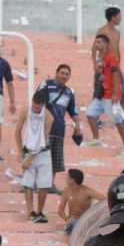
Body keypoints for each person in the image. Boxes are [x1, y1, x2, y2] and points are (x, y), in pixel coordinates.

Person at [84, 34, 124, 157]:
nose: (97, 44)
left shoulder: (111, 57)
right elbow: (100, 72)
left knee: (117, 120)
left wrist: (116, 94)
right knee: (90, 113)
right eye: (96, 42)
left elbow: (116, 75)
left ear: (106, 44)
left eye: (99, 42)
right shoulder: (101, 57)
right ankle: (96, 138)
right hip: (102, 94)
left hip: (110, 95)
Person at [38, 64, 82, 194]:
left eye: (67, 74)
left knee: (54, 159)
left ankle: (49, 184)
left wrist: (78, 126)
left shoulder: (69, 92)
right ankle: (37, 184)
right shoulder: (46, 85)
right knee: (40, 157)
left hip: (59, 130)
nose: (64, 76)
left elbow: (73, 111)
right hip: (43, 128)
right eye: (62, 73)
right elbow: (38, 103)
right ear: (56, 73)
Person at [14, 91, 54, 224]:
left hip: (42, 152)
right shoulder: (26, 110)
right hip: (27, 149)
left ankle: (40, 211)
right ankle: (30, 212)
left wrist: (30, 159)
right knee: (28, 183)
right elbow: (18, 130)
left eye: (38, 106)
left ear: (43, 105)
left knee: (44, 184)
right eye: (34, 105)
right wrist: (20, 152)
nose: (35, 108)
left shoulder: (48, 117)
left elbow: (44, 138)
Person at [58, 169, 104, 233]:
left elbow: (105, 200)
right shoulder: (66, 191)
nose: (65, 178)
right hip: (72, 222)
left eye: (67, 177)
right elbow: (60, 210)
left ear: (72, 180)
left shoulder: (87, 191)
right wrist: (66, 219)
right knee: (72, 224)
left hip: (84, 221)